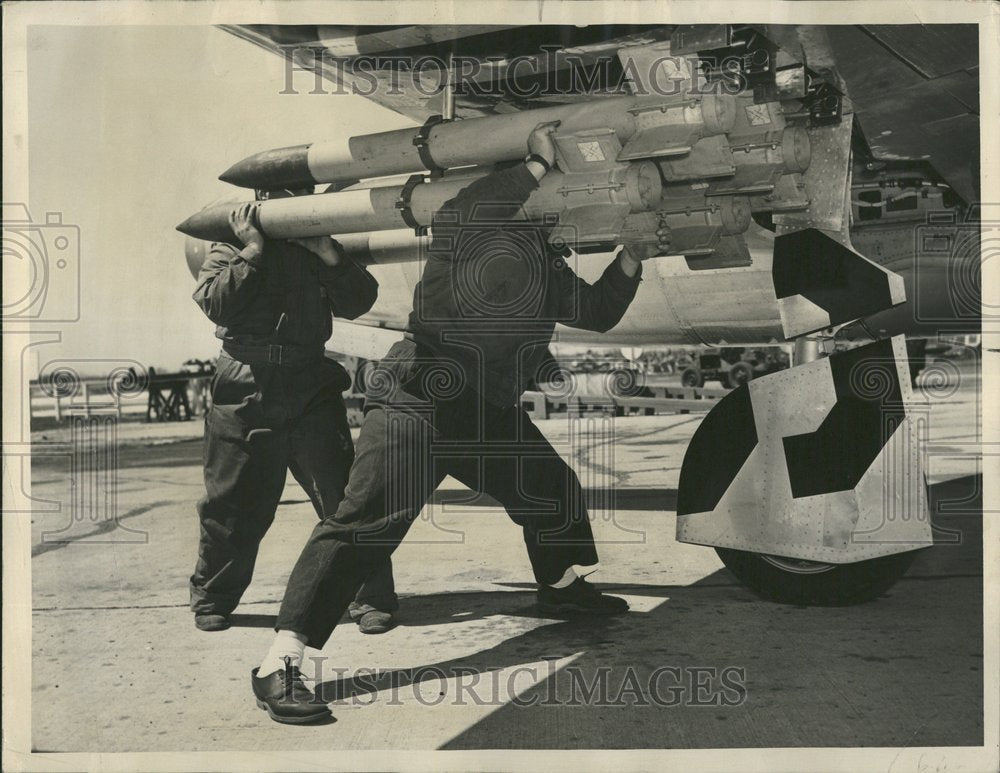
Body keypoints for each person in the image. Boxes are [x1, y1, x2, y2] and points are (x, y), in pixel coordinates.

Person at [249, 121, 671, 724]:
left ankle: (560, 584)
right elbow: (469, 206)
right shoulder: (465, 232)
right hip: (417, 398)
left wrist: (631, 257)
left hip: (484, 410)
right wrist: (533, 166)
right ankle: (281, 661)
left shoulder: (543, 264)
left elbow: (597, 312)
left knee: (550, 489)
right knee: (364, 524)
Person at [189, 198, 399, 636]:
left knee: (346, 496)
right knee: (232, 501)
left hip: (309, 381)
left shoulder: (317, 247)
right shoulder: (230, 246)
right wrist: (252, 251)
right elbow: (214, 302)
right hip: (245, 384)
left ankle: (369, 597)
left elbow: (360, 301)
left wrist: (329, 253)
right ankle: (214, 597)